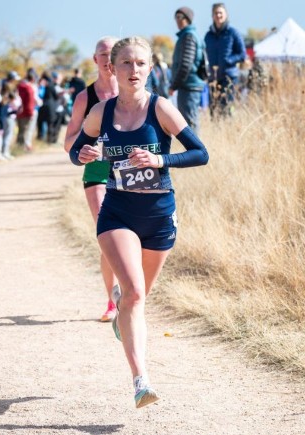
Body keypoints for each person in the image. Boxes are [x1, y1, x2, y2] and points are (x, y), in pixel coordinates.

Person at [69, 36, 209, 408]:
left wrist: (161, 161)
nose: (134, 70)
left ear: (150, 68)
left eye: (141, 63)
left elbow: (200, 154)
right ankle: (140, 381)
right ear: (113, 69)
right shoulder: (101, 111)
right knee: (131, 293)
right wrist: (83, 154)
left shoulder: (161, 108)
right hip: (117, 213)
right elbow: (76, 151)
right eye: (126, 64)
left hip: (160, 217)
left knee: (139, 298)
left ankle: (122, 318)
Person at [64, 37, 120, 324]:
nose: (108, 59)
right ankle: (113, 301)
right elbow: (69, 141)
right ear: (94, 60)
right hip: (97, 172)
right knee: (108, 239)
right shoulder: (85, 98)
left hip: (130, 173)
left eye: (113, 54)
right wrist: (82, 149)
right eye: (103, 54)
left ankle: (131, 294)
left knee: (133, 237)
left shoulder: (135, 92)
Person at [205, 3, 245, 118]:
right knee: (213, 109)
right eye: (216, 13)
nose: (218, 15)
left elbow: (242, 54)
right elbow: (205, 54)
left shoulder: (233, 33)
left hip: (229, 77)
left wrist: (228, 60)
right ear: (212, 16)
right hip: (213, 78)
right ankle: (216, 132)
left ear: (226, 15)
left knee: (226, 107)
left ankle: (228, 128)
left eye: (220, 12)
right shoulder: (208, 35)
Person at [170, 7, 206, 131]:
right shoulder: (187, 35)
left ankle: (196, 150)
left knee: (189, 122)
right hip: (188, 85)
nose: (177, 20)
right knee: (189, 121)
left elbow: (186, 64)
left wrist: (173, 85)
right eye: (176, 17)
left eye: (180, 17)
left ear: (188, 19)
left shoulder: (188, 36)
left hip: (189, 86)